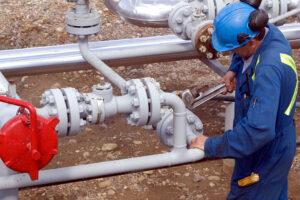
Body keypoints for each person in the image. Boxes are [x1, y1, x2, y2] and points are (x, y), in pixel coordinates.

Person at [190, 1, 297, 200]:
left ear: (250, 42)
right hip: (275, 138)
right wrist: (234, 68)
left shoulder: (267, 70)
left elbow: (259, 130)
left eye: (235, 49)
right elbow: (244, 52)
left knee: (250, 194)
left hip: (266, 150)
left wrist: (211, 145)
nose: (234, 53)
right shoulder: (267, 33)